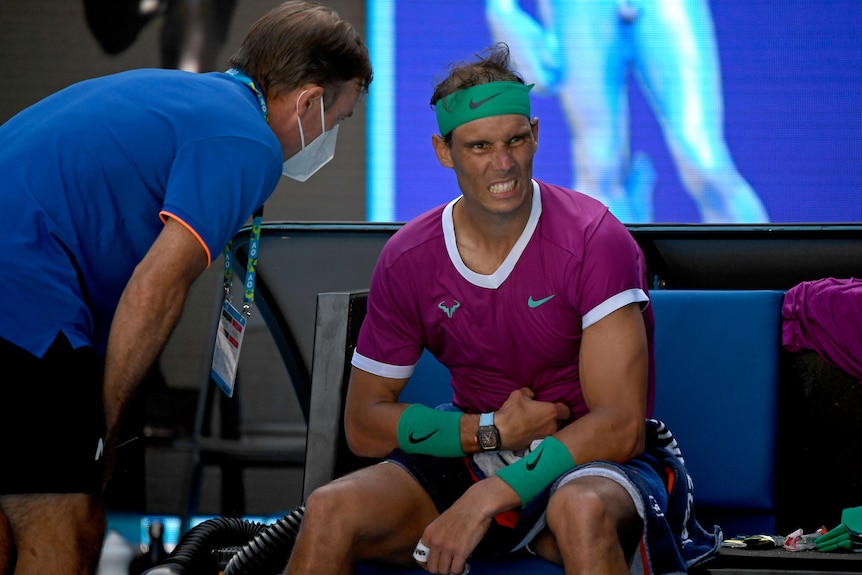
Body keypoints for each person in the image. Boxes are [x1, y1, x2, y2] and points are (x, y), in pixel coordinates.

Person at [285, 43, 719, 575]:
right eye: (479, 146)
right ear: (443, 151)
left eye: (515, 139)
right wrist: (489, 432)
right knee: (330, 511)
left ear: (535, 134)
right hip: (480, 452)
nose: (504, 162)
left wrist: (487, 497)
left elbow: (620, 426)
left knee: (578, 511)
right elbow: (363, 423)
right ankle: (528, 534)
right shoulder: (407, 257)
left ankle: (534, 530)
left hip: (593, 461)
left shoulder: (593, 237)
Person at [0, 1, 372, 573]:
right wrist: (109, 428)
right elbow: (156, 289)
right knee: (66, 528)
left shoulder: (192, 99)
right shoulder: (247, 141)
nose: (330, 137)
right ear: (308, 101)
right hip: (21, 296)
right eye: (339, 119)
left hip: (21, 280)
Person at [486, 0, 769, 223]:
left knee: (703, 157)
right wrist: (502, 8)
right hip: (579, 7)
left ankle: (761, 278)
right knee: (599, 163)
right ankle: (609, 287)